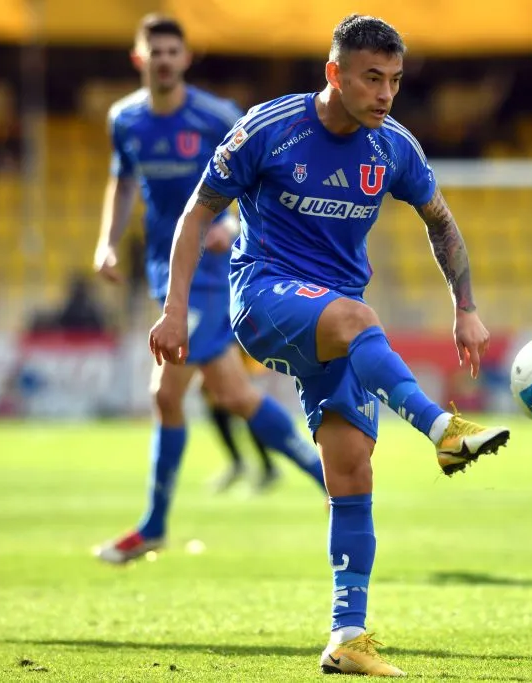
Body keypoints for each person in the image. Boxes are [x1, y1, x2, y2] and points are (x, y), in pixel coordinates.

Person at [148, 14, 510, 677]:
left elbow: (442, 222)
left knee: (350, 471)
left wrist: (466, 307)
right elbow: (198, 211)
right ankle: (442, 428)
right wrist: (174, 310)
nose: (385, 94)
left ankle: (347, 636)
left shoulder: (392, 147)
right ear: (335, 73)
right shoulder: (270, 127)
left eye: (396, 81)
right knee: (355, 317)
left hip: (336, 316)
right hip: (263, 296)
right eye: (372, 78)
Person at [92, 14, 325, 565]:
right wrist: (105, 242)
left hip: (212, 274)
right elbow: (121, 179)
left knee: (164, 394)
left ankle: (152, 526)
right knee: (236, 396)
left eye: (174, 51)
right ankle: (331, 477)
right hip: (164, 268)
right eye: (157, 51)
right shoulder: (124, 119)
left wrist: (233, 226)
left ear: (186, 59)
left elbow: (260, 179)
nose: (165, 59)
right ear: (139, 59)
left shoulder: (217, 116)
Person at [203, 349, 281, 494]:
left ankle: (267, 465)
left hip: (235, 345)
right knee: (214, 395)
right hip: (223, 345)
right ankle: (242, 462)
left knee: (244, 403)